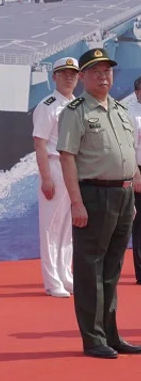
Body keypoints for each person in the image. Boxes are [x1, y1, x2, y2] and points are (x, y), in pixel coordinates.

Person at [57, 47, 141, 359]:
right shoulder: (75, 111)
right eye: (95, 71)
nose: (103, 75)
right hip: (94, 194)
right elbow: (67, 158)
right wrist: (76, 202)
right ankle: (93, 338)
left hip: (122, 194)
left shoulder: (120, 110)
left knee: (112, 269)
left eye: (107, 70)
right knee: (90, 268)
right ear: (82, 78)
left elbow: (128, 153)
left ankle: (111, 334)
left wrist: (131, 191)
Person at [32, 57, 79, 297]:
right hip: (55, 167)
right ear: (54, 77)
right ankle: (52, 281)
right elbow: (39, 143)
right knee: (51, 227)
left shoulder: (78, 104)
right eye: (64, 73)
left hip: (74, 169)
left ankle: (65, 274)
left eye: (73, 73)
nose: (69, 77)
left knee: (68, 228)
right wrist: (46, 178)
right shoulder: (47, 105)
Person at [128, 76, 141, 284]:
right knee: (139, 224)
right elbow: (128, 147)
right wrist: (135, 175)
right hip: (139, 170)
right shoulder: (130, 113)